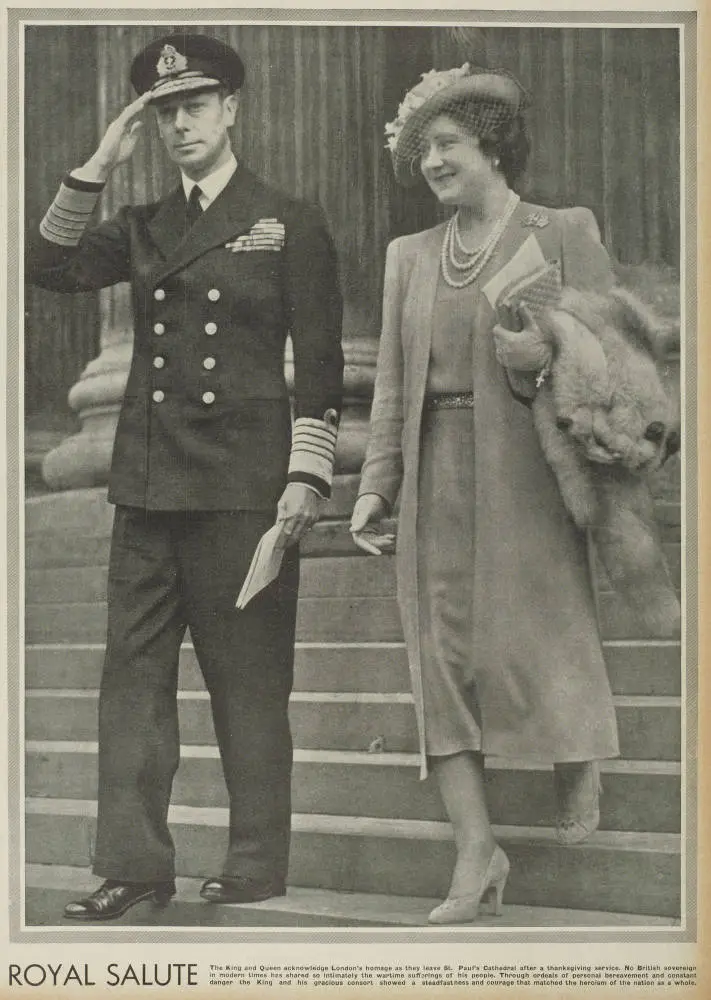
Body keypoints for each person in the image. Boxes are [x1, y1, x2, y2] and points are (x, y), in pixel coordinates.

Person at [27, 32, 343, 920]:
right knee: (131, 679)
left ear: (231, 108)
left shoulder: (287, 216)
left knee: (247, 680)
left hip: (243, 486)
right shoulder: (142, 225)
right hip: (149, 486)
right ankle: (133, 865)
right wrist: (97, 162)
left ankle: (254, 860)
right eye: (163, 111)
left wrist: (305, 479)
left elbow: (319, 364)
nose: (178, 123)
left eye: (193, 105)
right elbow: (46, 266)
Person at [350, 64, 619, 924]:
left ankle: (576, 748)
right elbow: (391, 383)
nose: (431, 161)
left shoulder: (560, 230)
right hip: (436, 464)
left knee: (538, 624)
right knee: (441, 656)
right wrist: (375, 486)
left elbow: (617, 360)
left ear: (491, 145)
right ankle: (476, 851)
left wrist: (544, 363)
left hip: (529, 463)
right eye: (421, 149)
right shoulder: (409, 256)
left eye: (447, 143)